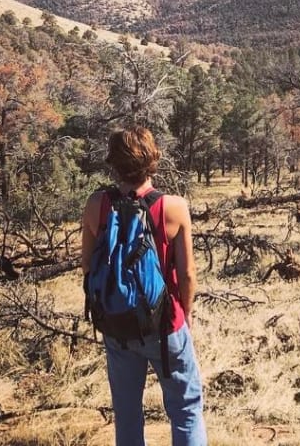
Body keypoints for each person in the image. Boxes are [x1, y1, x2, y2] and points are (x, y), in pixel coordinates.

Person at [81, 126, 207, 446]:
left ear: (113, 162)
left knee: (127, 414)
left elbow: (87, 266)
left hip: (117, 324)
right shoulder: (173, 207)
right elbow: (187, 273)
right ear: (153, 159)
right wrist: (187, 314)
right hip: (165, 324)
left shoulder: (96, 204)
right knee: (186, 409)